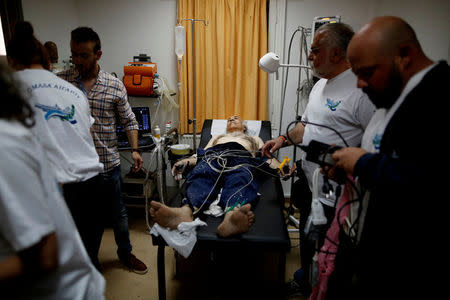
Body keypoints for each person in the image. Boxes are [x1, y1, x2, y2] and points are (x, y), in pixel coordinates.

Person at [324, 16, 449, 300]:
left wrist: (364, 163)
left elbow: (431, 183)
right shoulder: (393, 97)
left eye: (366, 72)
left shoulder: (437, 97)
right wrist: (353, 169)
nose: (359, 84)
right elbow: (399, 164)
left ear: (404, 55)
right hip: (361, 238)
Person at [261, 22, 375, 297]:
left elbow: (374, 150)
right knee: (309, 241)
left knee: (334, 258)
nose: (309, 57)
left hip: (341, 197)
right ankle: (306, 281)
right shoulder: (319, 86)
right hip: (312, 185)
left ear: (336, 53)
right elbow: (305, 126)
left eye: (315, 50)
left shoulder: (361, 92)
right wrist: (283, 140)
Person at [0, 62, 105, 299]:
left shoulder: (5, 143)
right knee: (87, 248)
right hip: (82, 179)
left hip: (65, 290)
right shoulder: (71, 89)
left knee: (94, 241)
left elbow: (45, 255)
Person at [58, 26, 147, 274]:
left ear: (98, 54)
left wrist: (136, 149)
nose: (77, 60)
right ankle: (88, 261)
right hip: (75, 168)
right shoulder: (62, 82)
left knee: (118, 214)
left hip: (107, 165)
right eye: (74, 54)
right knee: (82, 219)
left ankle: (126, 254)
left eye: (84, 55)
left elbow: (129, 121)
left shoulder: (114, 85)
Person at [150, 115, 281, 237]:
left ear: (244, 127)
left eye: (235, 118)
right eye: (229, 119)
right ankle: (185, 212)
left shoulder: (254, 138)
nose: (231, 119)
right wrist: (185, 161)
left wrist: (281, 168)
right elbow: (201, 155)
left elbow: (267, 156)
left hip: (241, 157)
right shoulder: (217, 137)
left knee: (241, 177)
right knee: (202, 174)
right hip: (214, 156)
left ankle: (232, 217)